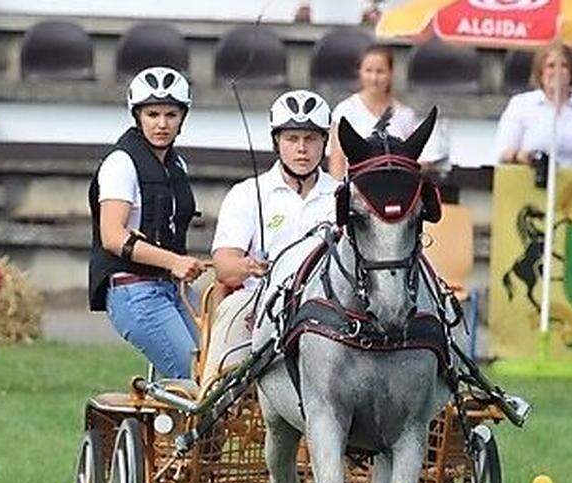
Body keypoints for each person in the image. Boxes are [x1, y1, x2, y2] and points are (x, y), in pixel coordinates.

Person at [202, 89, 339, 383]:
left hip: (326, 310)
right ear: (277, 142)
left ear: (324, 143)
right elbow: (224, 266)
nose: (302, 149)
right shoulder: (247, 194)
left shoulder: (341, 196)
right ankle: (210, 397)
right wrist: (247, 267)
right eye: (292, 139)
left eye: (311, 139)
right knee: (229, 310)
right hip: (257, 303)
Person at [88, 66, 205, 379]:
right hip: (134, 293)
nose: (162, 124)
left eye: (171, 115)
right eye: (153, 114)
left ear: (183, 117)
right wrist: (174, 261)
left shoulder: (176, 164)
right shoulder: (120, 164)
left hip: (171, 289)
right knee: (195, 379)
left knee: (222, 371)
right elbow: (112, 236)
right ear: (137, 116)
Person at [495, 44, 572, 172]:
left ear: (571, 73)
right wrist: (524, 156)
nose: (557, 71)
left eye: (564, 65)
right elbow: (503, 153)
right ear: (540, 73)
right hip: (532, 185)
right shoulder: (521, 105)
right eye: (551, 66)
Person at [328, 45, 422, 179]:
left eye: (380, 71)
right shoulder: (345, 111)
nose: (374, 78)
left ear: (390, 73)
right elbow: (337, 162)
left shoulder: (405, 115)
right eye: (368, 71)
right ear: (359, 72)